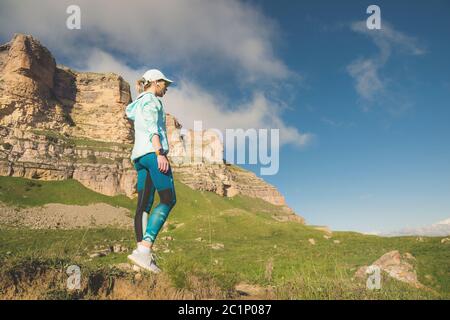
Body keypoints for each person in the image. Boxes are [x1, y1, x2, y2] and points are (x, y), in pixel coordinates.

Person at [125, 69, 176, 273]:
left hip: (139, 157)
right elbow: (152, 126)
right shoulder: (152, 101)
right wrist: (159, 152)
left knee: (143, 206)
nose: (166, 88)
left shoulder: (136, 104)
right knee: (168, 199)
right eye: (165, 84)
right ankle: (146, 249)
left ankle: (141, 256)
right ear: (155, 82)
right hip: (152, 154)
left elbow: (140, 122)